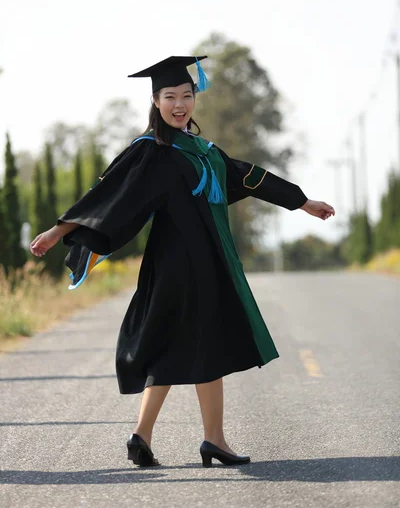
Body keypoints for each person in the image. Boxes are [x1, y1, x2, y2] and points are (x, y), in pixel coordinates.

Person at [30, 55, 335, 468]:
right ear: (155, 100)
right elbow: (107, 194)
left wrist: (301, 202)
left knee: (176, 345)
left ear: (195, 98)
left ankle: (148, 435)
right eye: (170, 96)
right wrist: (57, 231)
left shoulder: (202, 150)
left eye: (186, 96)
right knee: (203, 340)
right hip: (181, 262)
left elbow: (247, 175)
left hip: (203, 259)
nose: (179, 104)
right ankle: (213, 440)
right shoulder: (150, 151)